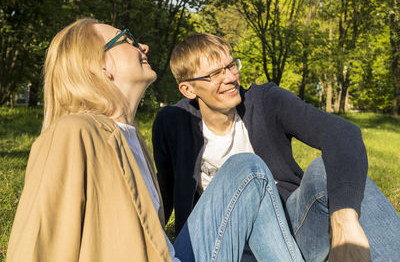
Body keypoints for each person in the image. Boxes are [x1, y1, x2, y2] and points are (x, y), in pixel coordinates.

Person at [7, 18, 306, 262]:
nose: (143, 46)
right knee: (250, 170)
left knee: (248, 169)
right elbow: (37, 242)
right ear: (98, 67)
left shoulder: (131, 138)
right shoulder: (74, 132)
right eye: (127, 39)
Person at [152, 33, 400, 262]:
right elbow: (163, 191)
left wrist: (344, 217)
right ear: (188, 89)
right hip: (224, 240)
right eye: (214, 74)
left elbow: (342, 134)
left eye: (230, 66)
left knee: (332, 169)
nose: (229, 78)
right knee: (249, 168)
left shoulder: (266, 100)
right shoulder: (172, 122)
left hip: (289, 230)